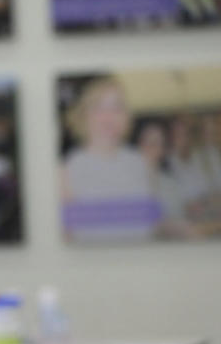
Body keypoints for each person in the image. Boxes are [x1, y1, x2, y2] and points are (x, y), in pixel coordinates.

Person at [61, 77, 158, 240]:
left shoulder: (143, 163)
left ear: (127, 115)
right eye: (99, 107)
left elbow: (155, 225)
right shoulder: (65, 171)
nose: (109, 116)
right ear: (84, 115)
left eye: (117, 107)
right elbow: (65, 237)